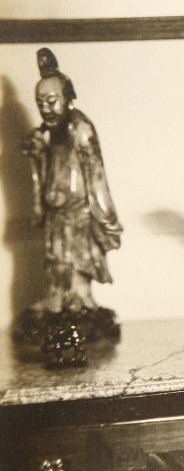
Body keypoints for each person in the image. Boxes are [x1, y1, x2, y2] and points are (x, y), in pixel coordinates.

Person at [22, 48, 122, 315]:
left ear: (68, 99)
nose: (46, 109)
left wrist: (107, 217)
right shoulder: (48, 133)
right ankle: (57, 301)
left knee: (77, 262)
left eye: (51, 101)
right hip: (56, 213)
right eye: (40, 103)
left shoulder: (81, 128)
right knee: (55, 262)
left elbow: (96, 174)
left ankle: (81, 301)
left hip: (79, 213)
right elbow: (46, 168)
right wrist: (37, 154)